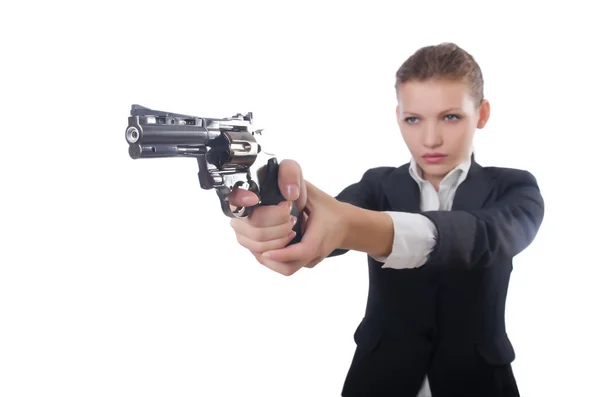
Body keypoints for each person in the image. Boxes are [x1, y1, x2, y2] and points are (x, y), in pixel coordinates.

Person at [228, 42, 544, 397]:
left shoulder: (514, 187)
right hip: (380, 378)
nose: (430, 138)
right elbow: (322, 225)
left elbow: (484, 237)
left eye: (450, 117)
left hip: (479, 382)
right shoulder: (377, 184)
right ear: (398, 117)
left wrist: (353, 226)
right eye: (413, 119)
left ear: (482, 114)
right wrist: (278, 209)